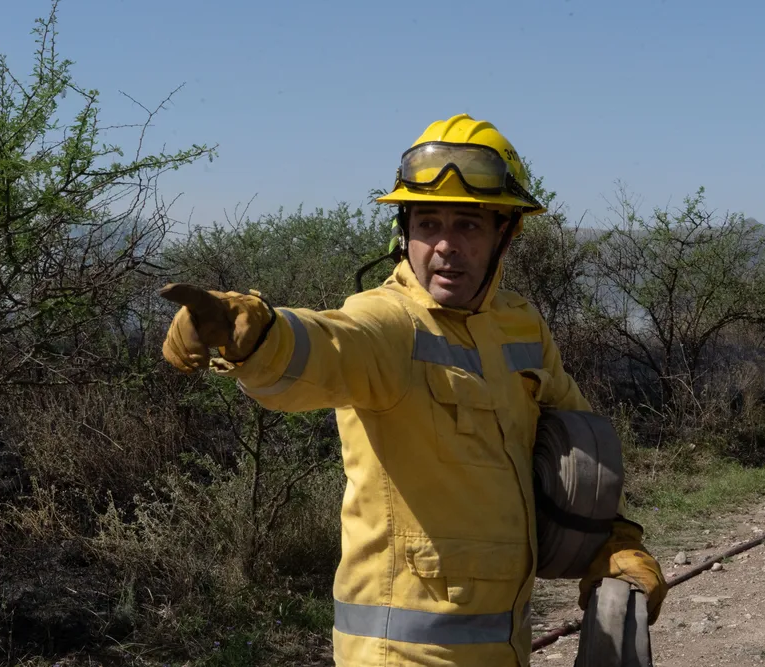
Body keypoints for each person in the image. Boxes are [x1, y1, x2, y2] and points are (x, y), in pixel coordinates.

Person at [160, 113, 667, 667]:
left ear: (506, 233)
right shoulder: (388, 322)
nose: (445, 245)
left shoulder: (520, 325)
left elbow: (583, 447)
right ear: (405, 231)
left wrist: (614, 539)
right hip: (400, 653)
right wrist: (252, 332)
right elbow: (324, 347)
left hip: (504, 649)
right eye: (428, 223)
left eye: (468, 225)